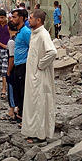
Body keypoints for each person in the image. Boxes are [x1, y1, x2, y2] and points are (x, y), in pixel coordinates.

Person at [21, 9, 57, 142]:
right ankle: (32, 132)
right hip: (32, 76)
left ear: (38, 20)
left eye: (31, 18)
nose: (28, 20)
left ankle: (39, 135)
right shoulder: (34, 34)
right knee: (32, 104)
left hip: (39, 77)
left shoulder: (43, 34)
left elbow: (52, 52)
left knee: (39, 105)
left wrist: (41, 65)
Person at [11, 8, 31, 122]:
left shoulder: (26, 32)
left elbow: (32, 48)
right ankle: (19, 114)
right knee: (17, 91)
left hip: (23, 66)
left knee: (23, 92)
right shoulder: (19, 31)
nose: (12, 19)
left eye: (15, 17)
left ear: (22, 18)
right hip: (17, 65)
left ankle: (23, 116)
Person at [5, 22, 18, 120]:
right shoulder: (18, 37)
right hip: (19, 67)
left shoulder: (11, 41)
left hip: (13, 68)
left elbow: (11, 58)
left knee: (11, 89)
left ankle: (12, 110)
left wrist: (8, 70)